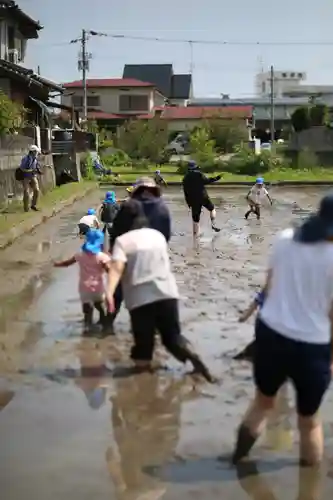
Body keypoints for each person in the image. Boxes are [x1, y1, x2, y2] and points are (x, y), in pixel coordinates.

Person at [232, 193, 333, 467]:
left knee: (262, 404)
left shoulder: (285, 238)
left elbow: (269, 285)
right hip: (312, 346)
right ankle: (308, 487)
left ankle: (236, 460)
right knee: (309, 421)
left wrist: (251, 310)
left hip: (270, 334)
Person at [107, 198, 214, 382]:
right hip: (168, 293)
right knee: (172, 339)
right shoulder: (157, 236)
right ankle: (196, 361)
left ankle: (144, 387)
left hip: (140, 298)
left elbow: (117, 268)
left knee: (144, 346)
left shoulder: (122, 241)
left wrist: (108, 291)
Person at [107, 177, 172, 329]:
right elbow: (166, 236)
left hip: (130, 255)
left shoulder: (129, 205)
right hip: (154, 257)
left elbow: (117, 232)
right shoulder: (163, 208)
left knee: (118, 291)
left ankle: (107, 325)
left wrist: (113, 254)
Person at [54, 229, 110, 332]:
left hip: (84, 287)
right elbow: (109, 270)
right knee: (100, 305)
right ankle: (103, 323)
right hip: (98, 287)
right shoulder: (102, 257)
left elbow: (67, 263)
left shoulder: (79, 255)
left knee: (87, 308)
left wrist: (56, 264)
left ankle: (87, 326)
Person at [182, 160, 221, 237]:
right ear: (195, 167)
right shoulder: (199, 174)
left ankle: (196, 236)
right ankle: (213, 223)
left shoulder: (185, 178)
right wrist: (216, 178)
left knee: (195, 219)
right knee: (212, 209)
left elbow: (185, 192)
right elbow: (207, 181)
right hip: (203, 197)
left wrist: (188, 202)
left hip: (193, 199)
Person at [233, 289, 265, 362]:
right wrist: (245, 316)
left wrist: (245, 316)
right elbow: (257, 301)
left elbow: (257, 301)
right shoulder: (271, 289)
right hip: (265, 322)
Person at [18, 144, 41, 212]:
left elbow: (36, 167)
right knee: (26, 192)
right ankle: (26, 208)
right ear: (33, 152)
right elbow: (22, 169)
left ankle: (33, 205)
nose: (37, 153)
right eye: (36, 152)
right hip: (25, 177)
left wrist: (39, 171)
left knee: (36, 190)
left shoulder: (35, 159)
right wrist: (30, 170)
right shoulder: (25, 159)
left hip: (32, 176)